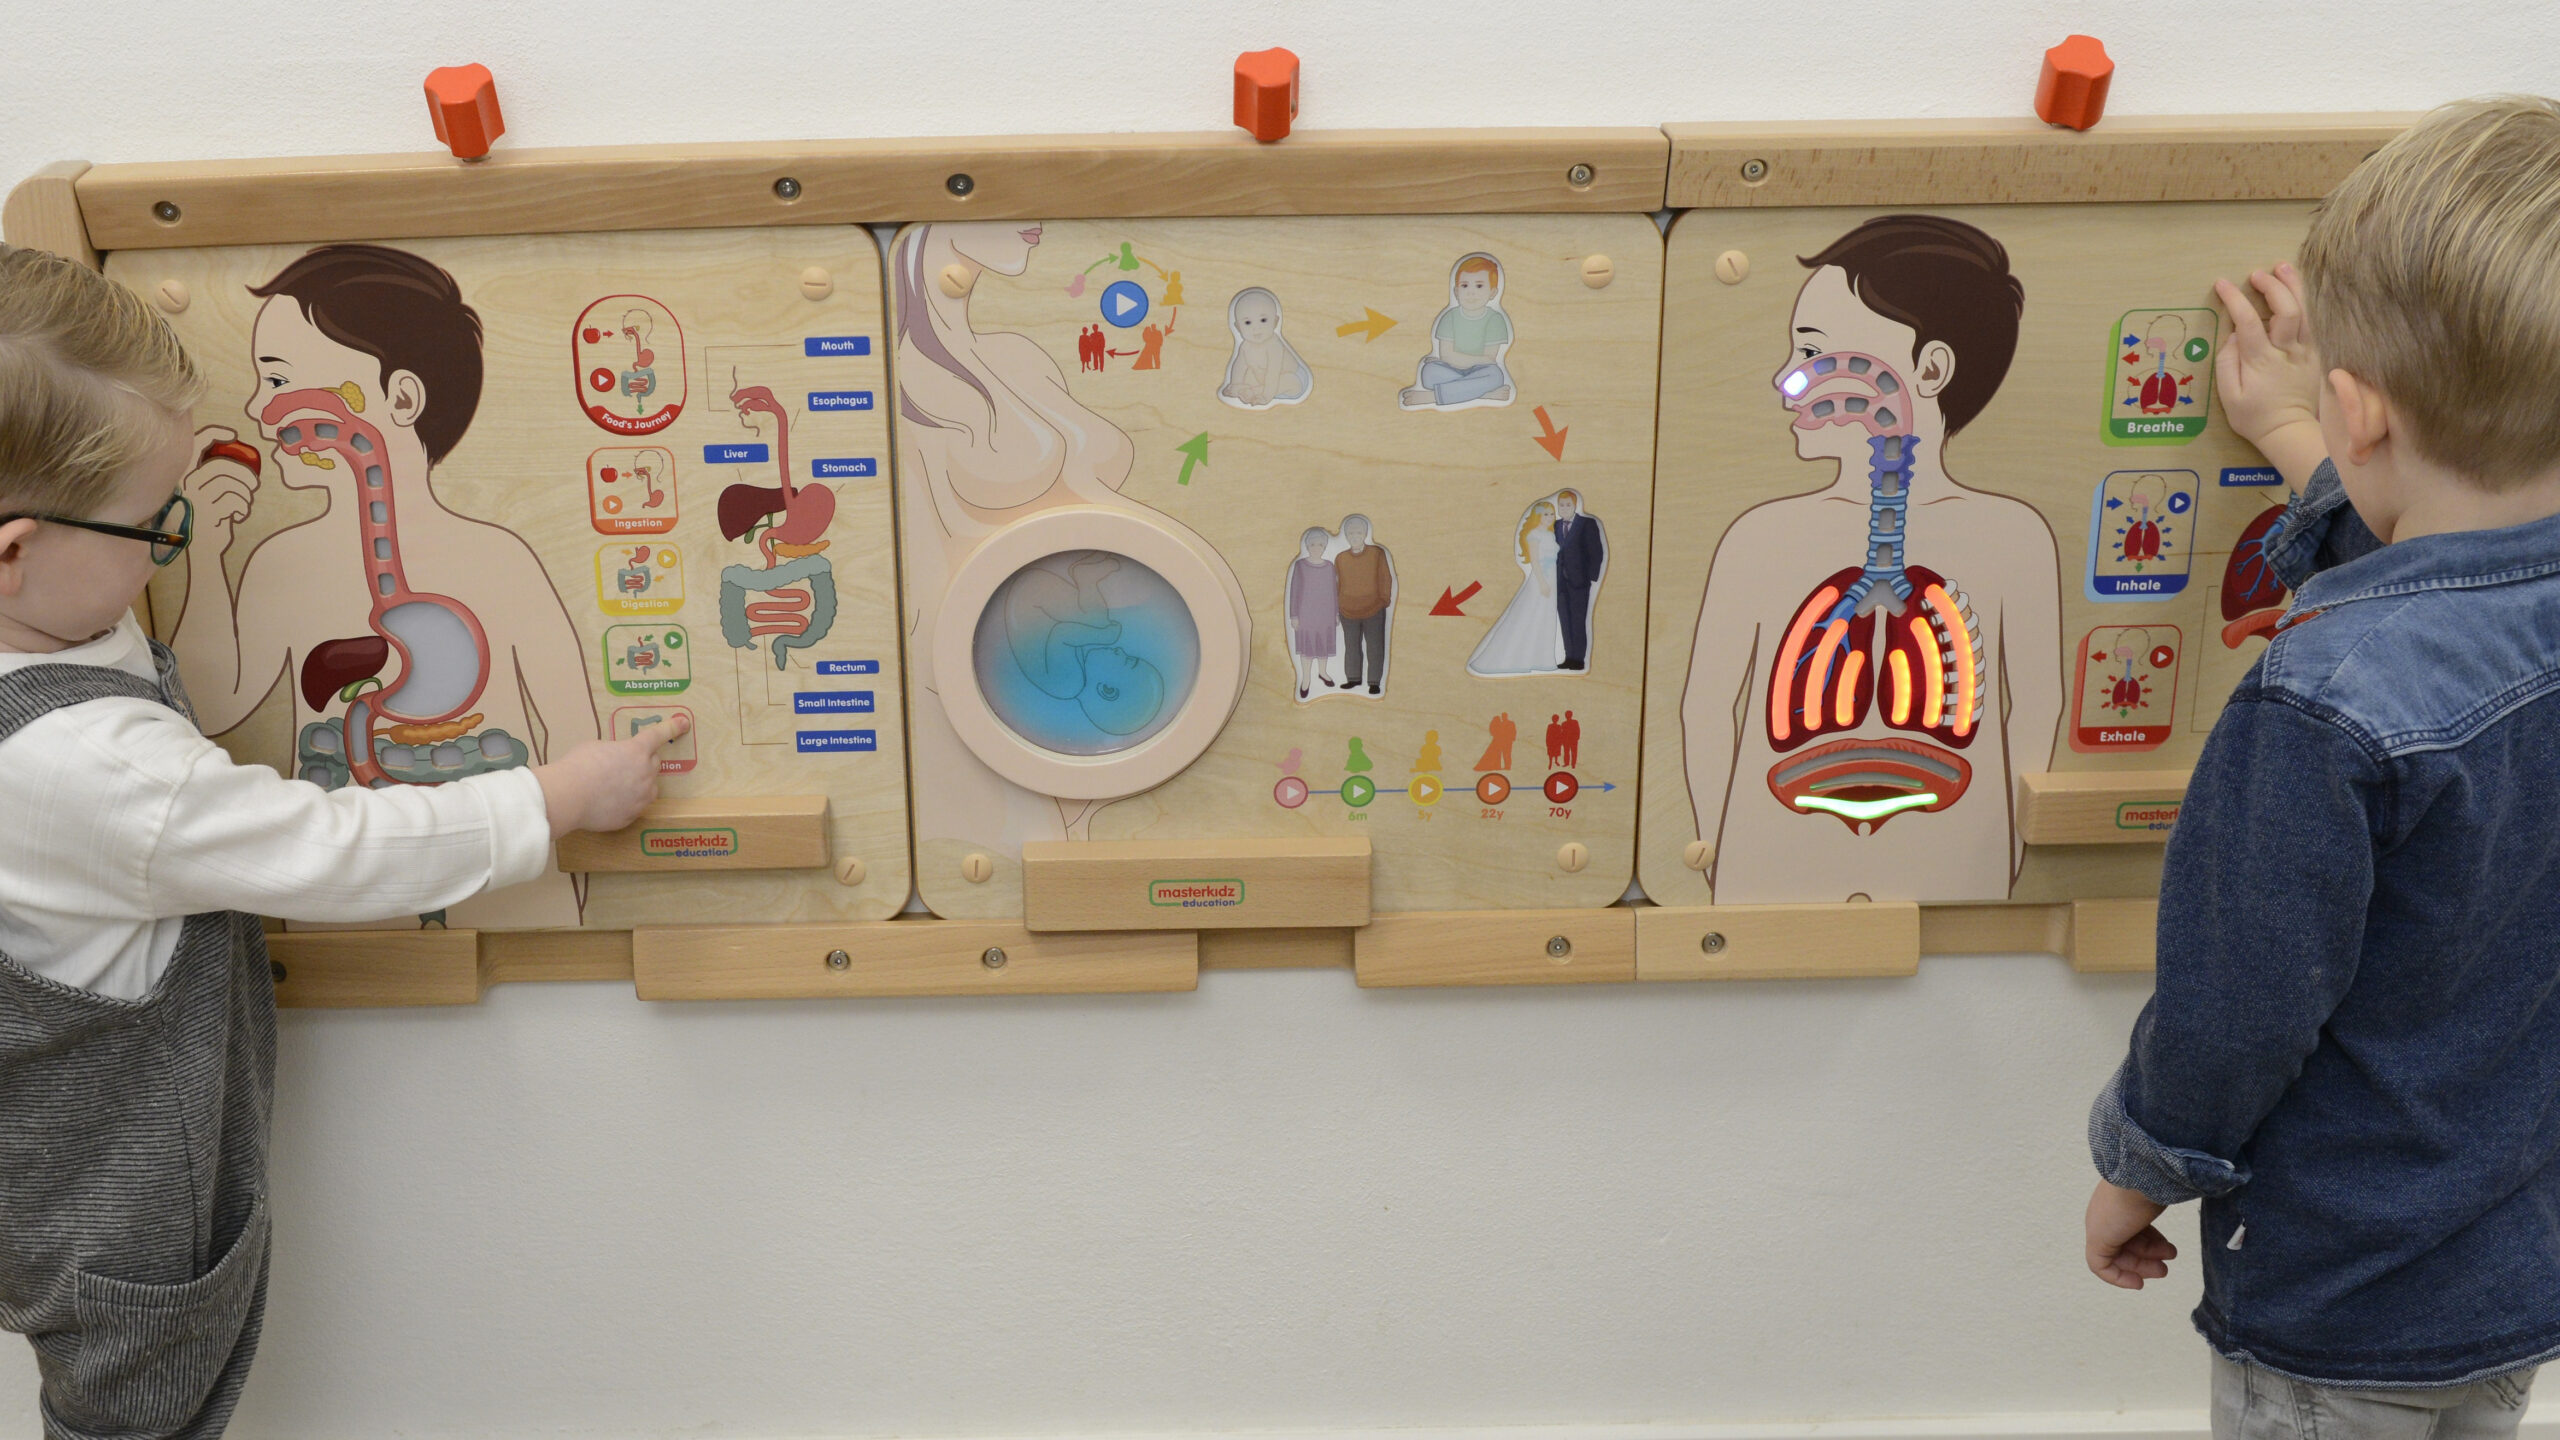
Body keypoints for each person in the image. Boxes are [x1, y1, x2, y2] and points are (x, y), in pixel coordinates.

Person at [0, 244, 679, 1440]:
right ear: (13, 550)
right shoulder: (91, 768)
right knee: (137, 1409)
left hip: (43, 1157)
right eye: (152, 525)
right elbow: (330, 849)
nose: (168, 545)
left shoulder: (46, 627)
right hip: (112, 1203)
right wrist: (555, 797)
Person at [2082, 97, 2560, 1433]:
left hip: (2343, 1297)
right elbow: (2460, 563)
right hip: (2510, 1262)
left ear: (2361, 409)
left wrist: (2140, 1169)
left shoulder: (2322, 707)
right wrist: (2301, 437)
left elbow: (2235, 1012)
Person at [168, 243, 599, 927]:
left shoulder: (499, 559)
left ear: (400, 397)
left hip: (513, 892)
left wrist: (578, 904)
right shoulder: (280, 562)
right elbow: (212, 709)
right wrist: (205, 556)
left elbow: (576, 735)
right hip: (352, 902)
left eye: (277, 379)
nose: (257, 407)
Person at [1677, 213, 2061, 905]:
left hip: (1948, 863)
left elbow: (2034, 710)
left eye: (1811, 351)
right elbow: (1706, 706)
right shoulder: (1758, 538)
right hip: (1772, 861)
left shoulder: (2014, 537)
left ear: (1930, 368)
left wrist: (2001, 858)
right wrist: (1720, 850)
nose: (1785, 380)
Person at [1400, 254, 1515, 409]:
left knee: (1495, 376)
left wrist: (1455, 359)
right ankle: (1483, 394)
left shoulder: (1495, 319)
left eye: (1479, 286)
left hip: (1481, 371)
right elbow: (1448, 355)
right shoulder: (1449, 317)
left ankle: (1433, 396)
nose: (1471, 292)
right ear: (1456, 291)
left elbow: (1489, 359)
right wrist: (1451, 361)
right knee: (1428, 373)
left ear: (1492, 292)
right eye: (1465, 286)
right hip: (1451, 369)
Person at [1468, 499, 1565, 676]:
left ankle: (1541, 658)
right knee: (1529, 614)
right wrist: (1542, 582)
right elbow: (1535, 561)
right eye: (1546, 514)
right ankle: (1511, 657)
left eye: (1552, 514)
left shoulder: (1550, 535)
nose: (1550, 517)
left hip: (1551, 579)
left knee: (1545, 617)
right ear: (1537, 516)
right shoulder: (1534, 535)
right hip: (1541, 579)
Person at [1218, 287, 1310, 409]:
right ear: (1238, 327)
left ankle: (1256, 392)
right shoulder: (1245, 346)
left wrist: (1266, 396)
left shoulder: (1274, 346)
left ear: (1275, 322)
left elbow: (1273, 372)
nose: (1256, 328)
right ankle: (1247, 391)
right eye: (1248, 323)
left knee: (1289, 381)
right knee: (1249, 373)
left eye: (1263, 320)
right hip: (1264, 380)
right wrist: (1236, 384)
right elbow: (1239, 366)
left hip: (1293, 380)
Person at [1333, 514, 1395, 694]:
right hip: (1347, 609)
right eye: (1351, 533)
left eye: (1358, 532)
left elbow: (1385, 577)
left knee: (1375, 646)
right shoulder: (1340, 558)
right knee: (1351, 646)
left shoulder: (1377, 554)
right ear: (1346, 535)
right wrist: (1337, 607)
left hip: (1374, 608)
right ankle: (1353, 678)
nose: (1355, 536)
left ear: (1365, 534)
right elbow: (1336, 583)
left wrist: (1384, 600)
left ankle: (1374, 681)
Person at [1283, 527, 1342, 700]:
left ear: (1324, 547)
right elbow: (1294, 591)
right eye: (1313, 544)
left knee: (1323, 644)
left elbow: (1334, 591)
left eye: (1320, 545)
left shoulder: (1329, 567)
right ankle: (1306, 679)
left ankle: (1323, 672)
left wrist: (1336, 613)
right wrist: (1294, 615)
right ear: (1308, 546)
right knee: (1307, 647)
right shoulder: (1300, 566)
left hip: (1326, 614)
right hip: (1306, 614)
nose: (1317, 548)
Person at [1550, 488, 1605, 670]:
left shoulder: (1586, 524)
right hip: (1560, 581)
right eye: (1561, 505)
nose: (1564, 508)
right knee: (1565, 620)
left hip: (1579, 581)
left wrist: (1591, 576)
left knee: (1578, 620)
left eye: (1568, 505)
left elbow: (1596, 551)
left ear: (1575, 506)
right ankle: (1569, 656)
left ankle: (1579, 659)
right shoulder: (1556, 525)